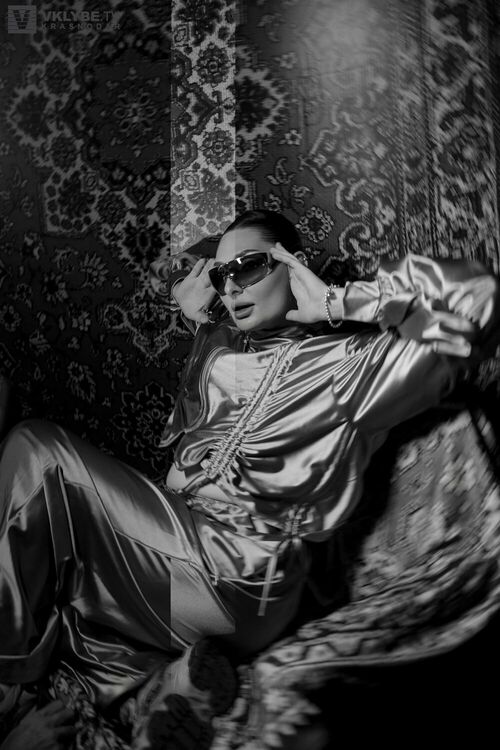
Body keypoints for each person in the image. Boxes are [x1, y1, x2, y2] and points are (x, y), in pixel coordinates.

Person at [0, 209, 498, 750]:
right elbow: (201, 304)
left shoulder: (353, 366)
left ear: (294, 264)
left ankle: (7, 692)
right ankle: (161, 688)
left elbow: (479, 301)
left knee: (38, 453)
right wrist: (200, 309)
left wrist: (336, 301)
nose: (231, 286)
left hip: (244, 575)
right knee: (66, 580)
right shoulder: (219, 346)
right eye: (222, 276)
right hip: (184, 554)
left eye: (248, 267)